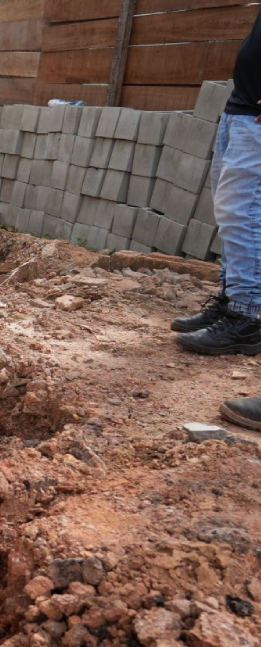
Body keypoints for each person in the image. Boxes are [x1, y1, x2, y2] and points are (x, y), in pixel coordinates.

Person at [171, 9, 261, 427]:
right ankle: (232, 301)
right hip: (241, 109)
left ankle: (248, 317)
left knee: (244, 213)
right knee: (230, 213)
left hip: (255, 119)